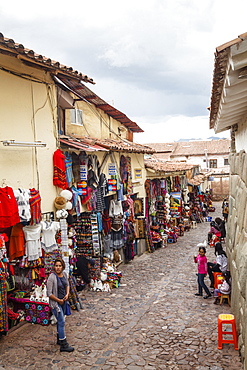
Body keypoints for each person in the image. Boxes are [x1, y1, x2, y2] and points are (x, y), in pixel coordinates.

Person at [47, 257, 74, 352]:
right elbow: (49, 293)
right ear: (54, 267)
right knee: (62, 321)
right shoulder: (51, 277)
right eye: (56, 266)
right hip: (56, 303)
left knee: (60, 321)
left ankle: (59, 338)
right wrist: (58, 300)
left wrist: (67, 294)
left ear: (63, 267)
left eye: (60, 266)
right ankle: (64, 344)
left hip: (63, 301)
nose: (58, 268)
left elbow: (67, 285)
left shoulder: (65, 274)